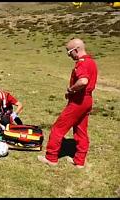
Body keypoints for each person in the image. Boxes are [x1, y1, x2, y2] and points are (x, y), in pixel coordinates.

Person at [38, 38, 98, 169]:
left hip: (78, 101)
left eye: (69, 52)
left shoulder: (82, 63)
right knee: (81, 130)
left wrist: (71, 90)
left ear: (76, 50)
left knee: (58, 128)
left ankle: (51, 158)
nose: (68, 55)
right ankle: (79, 161)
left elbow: (83, 81)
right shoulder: (91, 62)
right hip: (87, 101)